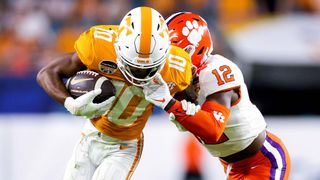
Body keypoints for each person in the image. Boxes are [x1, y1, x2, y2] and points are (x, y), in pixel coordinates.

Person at [36, 7, 193, 180]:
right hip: (90, 135)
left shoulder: (177, 67)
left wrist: (181, 114)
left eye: (148, 68)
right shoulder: (98, 45)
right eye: (133, 66)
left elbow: (188, 107)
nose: (139, 74)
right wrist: (69, 103)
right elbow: (47, 73)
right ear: (119, 49)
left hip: (125, 146)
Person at [143, 12, 291, 180]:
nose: (168, 59)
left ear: (194, 48)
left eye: (173, 52)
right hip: (232, 166)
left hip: (262, 161)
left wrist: (169, 103)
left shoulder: (215, 70)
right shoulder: (183, 78)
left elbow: (212, 129)